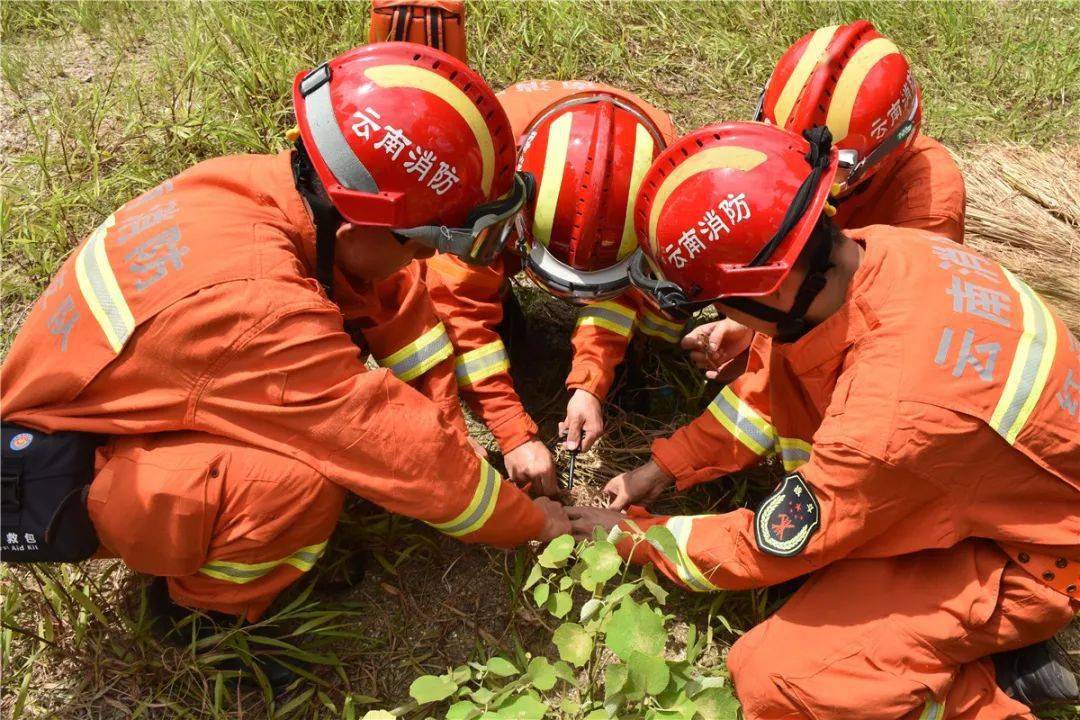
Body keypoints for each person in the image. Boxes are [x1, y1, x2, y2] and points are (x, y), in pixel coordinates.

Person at [0, 43, 570, 628]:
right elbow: (384, 443)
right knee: (294, 486)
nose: (425, 256)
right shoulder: (261, 313)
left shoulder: (262, 187)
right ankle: (203, 615)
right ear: (354, 223)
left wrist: (462, 431)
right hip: (57, 466)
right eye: (422, 241)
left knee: (374, 308)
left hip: (132, 390)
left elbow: (401, 313)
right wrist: (532, 521)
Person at [568, 121, 1079, 718]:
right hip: (985, 484)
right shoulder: (879, 251)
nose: (718, 314)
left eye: (715, 298)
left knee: (777, 678)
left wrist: (629, 535)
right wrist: (663, 468)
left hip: (1030, 558)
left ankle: (979, 694)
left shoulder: (886, 418)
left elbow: (771, 545)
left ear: (775, 289)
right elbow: (769, 383)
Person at [423, 79, 683, 496]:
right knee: (459, 289)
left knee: (663, 299)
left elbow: (623, 294)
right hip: (497, 212)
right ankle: (508, 318)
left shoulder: (664, 178)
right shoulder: (481, 176)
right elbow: (458, 305)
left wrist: (590, 384)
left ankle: (637, 360)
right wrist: (514, 433)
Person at [688, 20, 968, 381]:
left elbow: (869, 325)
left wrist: (758, 362)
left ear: (885, 153)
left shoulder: (928, 204)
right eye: (787, 151)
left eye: (834, 170)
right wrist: (749, 325)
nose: (800, 182)